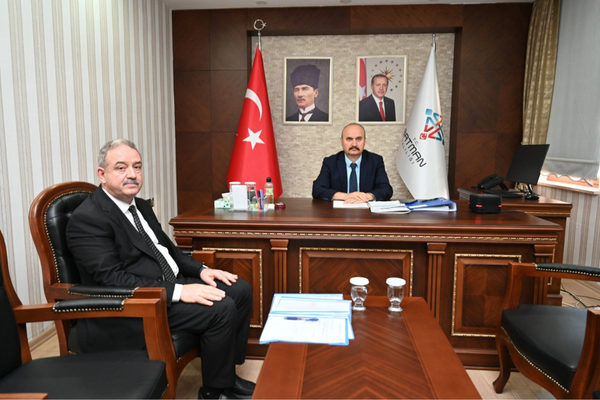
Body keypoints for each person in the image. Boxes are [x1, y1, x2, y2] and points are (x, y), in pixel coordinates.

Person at [66, 138, 254, 400]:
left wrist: (201, 271)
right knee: (220, 308)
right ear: (102, 174)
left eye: (137, 166)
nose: (132, 174)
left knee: (239, 289)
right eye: (121, 167)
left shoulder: (140, 205)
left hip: (165, 284)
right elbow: (112, 278)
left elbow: (167, 250)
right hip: (136, 304)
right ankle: (213, 392)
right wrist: (180, 292)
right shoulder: (88, 219)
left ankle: (227, 378)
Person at [312, 123, 393, 203]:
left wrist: (367, 196)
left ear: (364, 141)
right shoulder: (330, 162)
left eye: (358, 139)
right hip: (339, 209)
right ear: (341, 141)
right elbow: (317, 189)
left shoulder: (375, 161)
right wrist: (346, 196)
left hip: (365, 209)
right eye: (349, 139)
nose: (354, 144)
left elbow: (386, 189)